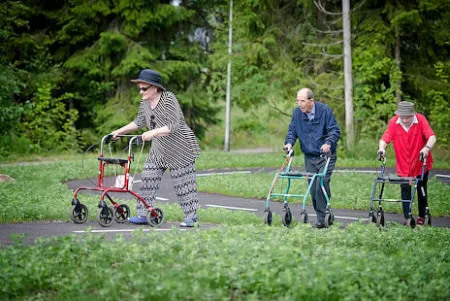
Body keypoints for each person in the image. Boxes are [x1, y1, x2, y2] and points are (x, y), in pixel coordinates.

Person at [111, 69, 200, 227]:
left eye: (144, 89)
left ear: (155, 88)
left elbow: (175, 124)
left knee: (184, 185)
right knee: (147, 179)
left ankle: (191, 218)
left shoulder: (168, 99)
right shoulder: (145, 102)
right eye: (139, 88)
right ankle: (144, 214)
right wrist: (120, 130)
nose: (140, 92)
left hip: (181, 148)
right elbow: (139, 122)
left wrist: (153, 132)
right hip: (160, 148)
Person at [284, 88, 341, 228]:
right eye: (297, 100)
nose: (299, 104)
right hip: (309, 157)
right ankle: (326, 213)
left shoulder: (324, 111)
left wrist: (328, 143)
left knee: (321, 184)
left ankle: (322, 219)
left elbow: (335, 130)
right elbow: (292, 131)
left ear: (311, 101)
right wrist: (289, 143)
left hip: (325, 155)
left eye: (302, 101)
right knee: (312, 189)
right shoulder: (297, 113)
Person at [377, 101, 436, 225]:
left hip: (420, 162)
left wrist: (427, 148)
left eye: (407, 117)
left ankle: (421, 216)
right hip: (403, 164)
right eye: (402, 117)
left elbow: (431, 136)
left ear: (413, 114)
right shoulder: (394, 122)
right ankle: (407, 217)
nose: (404, 120)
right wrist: (382, 148)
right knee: (405, 189)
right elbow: (385, 138)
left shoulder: (420, 120)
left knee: (420, 188)